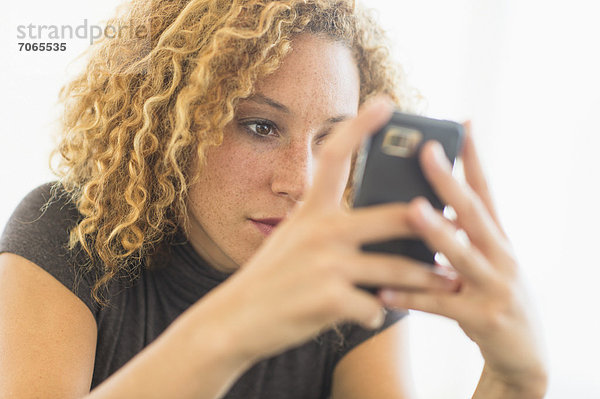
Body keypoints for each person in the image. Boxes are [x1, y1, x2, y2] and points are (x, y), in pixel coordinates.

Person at [0, 0, 547, 398]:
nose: (303, 183)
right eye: (260, 127)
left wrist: (515, 381)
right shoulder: (69, 231)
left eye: (332, 137)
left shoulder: (352, 271)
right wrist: (231, 330)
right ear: (175, 123)